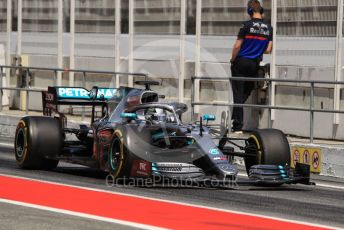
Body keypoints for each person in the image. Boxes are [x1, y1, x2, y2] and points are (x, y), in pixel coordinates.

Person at [230, 0, 273, 132]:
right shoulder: (269, 28)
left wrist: (232, 59)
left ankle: (237, 125)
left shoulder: (246, 25)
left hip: (241, 61)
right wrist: (257, 48)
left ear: (249, 11)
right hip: (254, 64)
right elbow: (268, 49)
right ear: (261, 11)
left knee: (237, 93)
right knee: (246, 90)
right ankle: (236, 115)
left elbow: (237, 45)